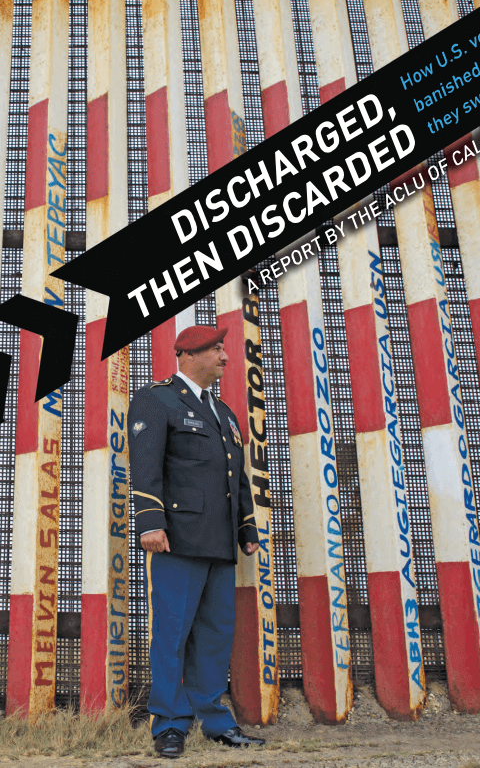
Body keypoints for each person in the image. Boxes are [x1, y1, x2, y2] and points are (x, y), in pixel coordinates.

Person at [128, 324, 266, 758]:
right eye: (217, 350)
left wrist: (246, 528)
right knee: (172, 634)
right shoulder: (157, 398)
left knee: (214, 636)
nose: (226, 358)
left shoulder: (224, 412)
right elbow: (145, 466)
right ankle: (169, 724)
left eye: (225, 350)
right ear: (189, 354)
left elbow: (236, 476)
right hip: (177, 541)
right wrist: (150, 522)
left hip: (220, 543)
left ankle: (215, 721)